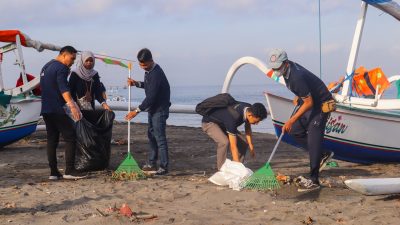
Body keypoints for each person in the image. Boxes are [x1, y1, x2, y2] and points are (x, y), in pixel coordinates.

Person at [268, 49, 334, 192]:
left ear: (285, 63)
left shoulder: (295, 75)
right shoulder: (288, 70)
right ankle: (322, 154)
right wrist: (299, 96)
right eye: (273, 68)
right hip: (311, 103)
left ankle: (314, 180)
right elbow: (306, 92)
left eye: (278, 67)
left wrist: (291, 120)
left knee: (313, 140)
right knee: (296, 131)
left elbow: (308, 102)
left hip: (321, 106)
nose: (275, 71)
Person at [40, 46, 87, 180]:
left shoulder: (46, 66)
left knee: (52, 140)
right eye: (72, 58)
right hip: (57, 109)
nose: (72, 62)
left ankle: (54, 172)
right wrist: (72, 106)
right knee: (70, 136)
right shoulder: (61, 68)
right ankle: (70, 170)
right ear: (64, 55)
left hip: (46, 109)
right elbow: (63, 88)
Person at [125, 48, 171, 175]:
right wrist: (136, 83)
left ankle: (163, 167)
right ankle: (151, 162)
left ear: (151, 61)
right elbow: (148, 85)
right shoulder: (150, 71)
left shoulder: (156, 73)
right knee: (151, 136)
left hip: (159, 110)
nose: (142, 67)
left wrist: (136, 111)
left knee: (160, 138)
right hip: (153, 110)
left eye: (144, 64)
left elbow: (151, 97)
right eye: (140, 65)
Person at [201, 102, 267, 170]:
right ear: (250, 115)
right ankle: (222, 170)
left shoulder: (249, 109)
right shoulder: (233, 119)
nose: (257, 124)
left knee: (243, 143)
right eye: (256, 121)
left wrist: (251, 145)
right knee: (224, 142)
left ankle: (236, 167)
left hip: (223, 124)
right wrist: (238, 167)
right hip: (209, 123)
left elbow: (247, 128)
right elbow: (233, 146)